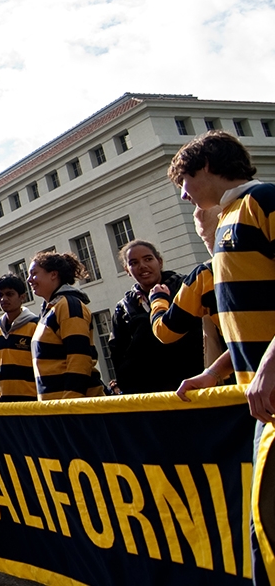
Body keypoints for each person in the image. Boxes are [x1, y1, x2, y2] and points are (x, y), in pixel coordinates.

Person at [161, 131, 275, 584]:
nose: (185, 194)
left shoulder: (262, 199)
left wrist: (267, 366)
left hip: (268, 390)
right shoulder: (225, 221)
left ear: (207, 165)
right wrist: (215, 371)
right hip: (260, 400)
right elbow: (252, 320)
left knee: (263, 531)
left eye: (185, 181)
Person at [109, 240, 203, 393]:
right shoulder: (124, 308)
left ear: (159, 262)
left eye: (148, 259)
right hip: (150, 394)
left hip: (193, 386)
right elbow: (118, 353)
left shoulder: (186, 288)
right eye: (134, 262)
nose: (142, 266)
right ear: (127, 269)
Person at [28, 252, 105, 400]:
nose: (29, 279)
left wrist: (70, 403)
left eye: (34, 273)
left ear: (53, 275)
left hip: (76, 410)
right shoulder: (50, 309)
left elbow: (79, 358)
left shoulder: (69, 305)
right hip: (57, 409)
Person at [0, 274, 39, 402]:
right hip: (7, 403)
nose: (4, 299)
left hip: (33, 401)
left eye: (9, 294)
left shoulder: (36, 326)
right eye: (0, 295)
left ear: (22, 297)